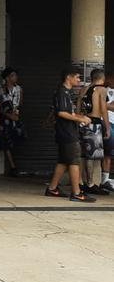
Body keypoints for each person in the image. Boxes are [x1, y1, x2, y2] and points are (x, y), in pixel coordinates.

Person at [44, 68, 94, 202]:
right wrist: (80, 119)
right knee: (74, 161)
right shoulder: (62, 92)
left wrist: (81, 117)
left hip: (66, 131)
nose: (79, 80)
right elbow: (61, 113)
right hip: (67, 133)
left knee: (63, 161)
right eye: (77, 77)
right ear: (68, 77)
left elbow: (69, 112)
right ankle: (76, 193)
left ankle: (52, 188)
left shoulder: (67, 92)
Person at [77, 68, 109, 196]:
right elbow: (103, 109)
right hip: (94, 124)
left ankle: (81, 182)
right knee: (91, 155)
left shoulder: (83, 89)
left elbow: (78, 108)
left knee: (83, 155)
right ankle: (90, 184)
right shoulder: (101, 89)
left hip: (82, 122)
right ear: (102, 78)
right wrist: (107, 127)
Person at [0, 67, 24, 176]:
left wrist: (16, 113)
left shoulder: (19, 89)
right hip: (5, 118)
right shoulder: (1, 89)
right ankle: (13, 167)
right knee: (7, 142)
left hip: (16, 116)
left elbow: (20, 103)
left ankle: (16, 165)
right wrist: (7, 114)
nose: (15, 77)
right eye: (13, 75)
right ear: (7, 78)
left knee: (17, 140)